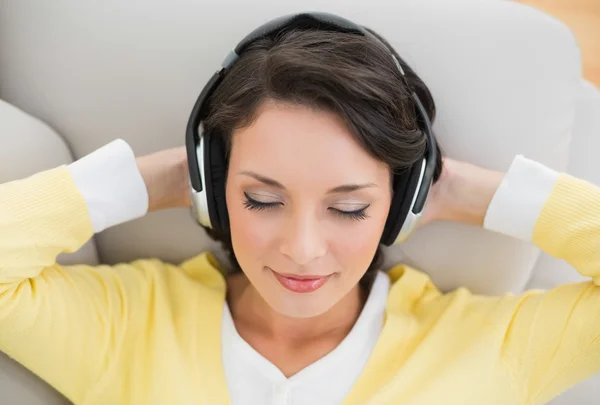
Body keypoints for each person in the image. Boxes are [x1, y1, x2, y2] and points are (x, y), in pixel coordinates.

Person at [1, 18, 600, 405]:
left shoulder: (488, 346)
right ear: (215, 187)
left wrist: (474, 193)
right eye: (262, 199)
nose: (302, 248)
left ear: (400, 201)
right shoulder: (127, 327)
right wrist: (156, 179)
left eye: (348, 208)